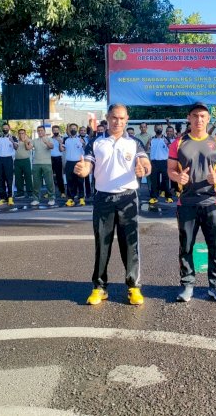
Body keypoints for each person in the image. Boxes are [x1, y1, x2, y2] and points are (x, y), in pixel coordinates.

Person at [75, 103, 150, 306]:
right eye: (114, 118)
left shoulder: (134, 142)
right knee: (102, 243)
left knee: (130, 244)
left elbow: (145, 164)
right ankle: (99, 287)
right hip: (103, 199)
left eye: (122, 118)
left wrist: (143, 169)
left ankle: (133, 286)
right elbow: (87, 165)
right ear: (107, 118)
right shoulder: (95, 143)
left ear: (127, 120)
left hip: (128, 198)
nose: (118, 121)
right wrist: (83, 170)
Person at [168, 102, 216, 302]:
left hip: (212, 202)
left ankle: (215, 285)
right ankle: (187, 285)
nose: (199, 119)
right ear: (189, 118)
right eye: (195, 115)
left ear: (208, 118)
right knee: (186, 246)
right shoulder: (178, 143)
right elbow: (171, 170)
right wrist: (178, 178)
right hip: (186, 202)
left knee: (215, 246)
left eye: (203, 116)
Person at [148, 124, 172, 204]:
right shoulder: (151, 139)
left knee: (166, 180)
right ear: (154, 129)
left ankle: (168, 197)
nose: (158, 128)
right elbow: (146, 148)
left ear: (162, 129)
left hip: (164, 162)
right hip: (154, 162)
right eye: (157, 127)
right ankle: (154, 197)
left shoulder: (166, 139)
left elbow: (172, 149)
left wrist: (168, 144)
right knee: (154, 181)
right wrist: (148, 142)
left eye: (160, 127)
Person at [31, 125, 56, 206]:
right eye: (38, 131)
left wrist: (46, 142)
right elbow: (28, 147)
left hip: (47, 163)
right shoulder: (34, 140)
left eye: (41, 130)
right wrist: (25, 141)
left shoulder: (49, 139)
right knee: (36, 183)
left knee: (49, 182)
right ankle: (36, 199)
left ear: (44, 131)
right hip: (36, 164)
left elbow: (51, 147)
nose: (40, 132)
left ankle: (51, 198)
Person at [0, 123, 18, 206]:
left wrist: (12, 142)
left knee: (9, 179)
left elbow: (16, 147)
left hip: (9, 159)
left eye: (6, 128)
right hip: (0, 159)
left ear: (9, 128)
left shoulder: (13, 137)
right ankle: (2, 198)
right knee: (0, 179)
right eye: (3, 128)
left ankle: (10, 197)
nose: (5, 129)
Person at [64, 123, 86, 207]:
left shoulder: (81, 139)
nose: (73, 130)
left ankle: (81, 198)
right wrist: (60, 144)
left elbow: (85, 149)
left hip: (79, 162)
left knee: (80, 181)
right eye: (71, 128)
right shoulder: (66, 140)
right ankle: (70, 199)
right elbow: (62, 149)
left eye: (74, 128)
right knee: (70, 181)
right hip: (69, 163)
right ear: (69, 130)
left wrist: (83, 144)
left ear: (77, 130)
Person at [13, 128, 34, 199]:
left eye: (23, 133)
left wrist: (25, 141)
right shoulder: (16, 141)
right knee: (18, 178)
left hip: (26, 161)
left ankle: (30, 193)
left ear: (25, 134)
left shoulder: (29, 140)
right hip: (17, 161)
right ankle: (20, 193)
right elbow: (14, 148)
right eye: (20, 133)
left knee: (28, 177)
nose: (21, 134)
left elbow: (28, 148)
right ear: (18, 134)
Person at [50, 125, 66, 198]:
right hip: (50, 159)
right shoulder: (50, 139)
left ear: (58, 130)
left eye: (57, 130)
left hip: (58, 159)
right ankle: (50, 192)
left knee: (59, 176)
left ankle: (62, 192)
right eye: (54, 130)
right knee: (49, 177)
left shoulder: (62, 139)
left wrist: (60, 143)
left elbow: (61, 150)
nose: (55, 132)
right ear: (52, 131)